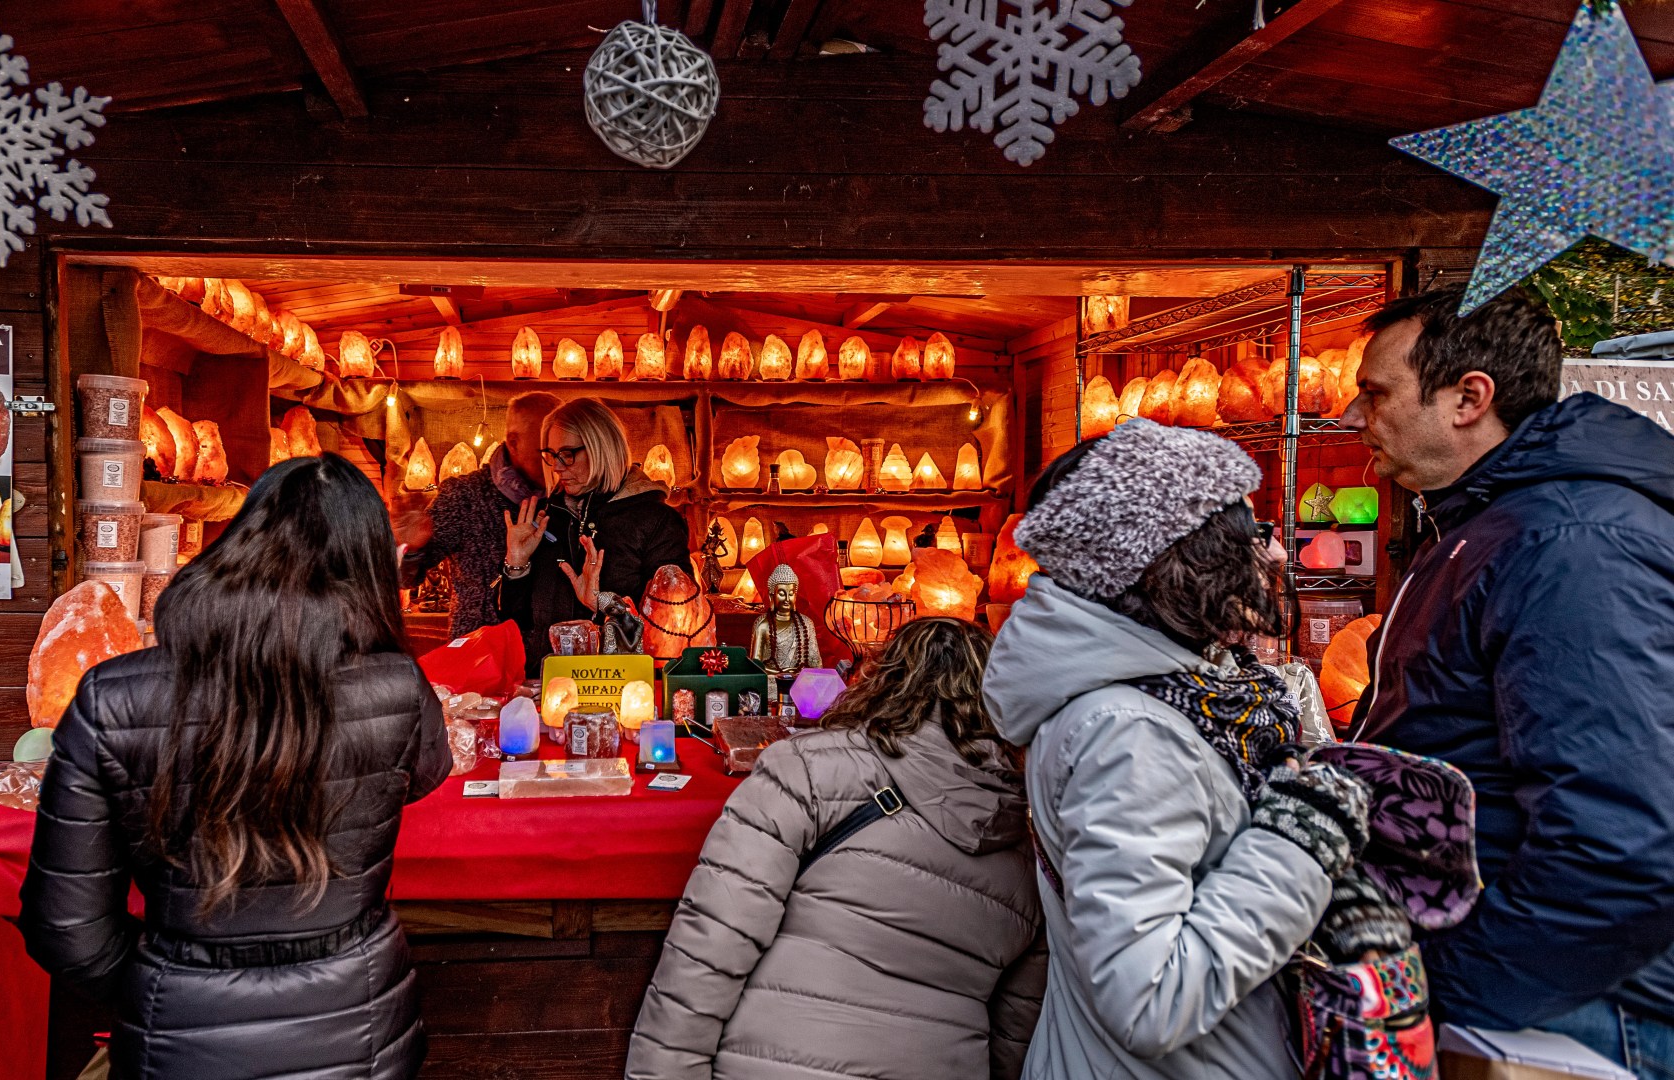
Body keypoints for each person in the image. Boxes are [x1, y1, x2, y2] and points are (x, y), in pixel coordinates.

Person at [20, 453, 452, 1079]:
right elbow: (426, 773)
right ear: (366, 564)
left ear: (240, 539)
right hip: (355, 1032)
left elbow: (67, 926)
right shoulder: (398, 688)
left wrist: (165, 987)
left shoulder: (111, 696)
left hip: (180, 1035)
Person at [1341, 284, 1674, 1074]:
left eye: (1377, 392)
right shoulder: (1492, 522)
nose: (1359, 417)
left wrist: (1451, 987)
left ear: (1468, 398)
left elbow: (1624, 842)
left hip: (1575, 1010)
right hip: (1539, 992)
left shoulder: (1570, 542)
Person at [984, 419, 1378, 1080]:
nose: (1278, 557)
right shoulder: (1129, 733)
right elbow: (1149, 1000)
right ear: (1181, 560)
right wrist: (1300, 839)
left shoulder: (1183, 700)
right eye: (1250, 535)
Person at [626, 617, 1046, 1080]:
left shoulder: (806, 769)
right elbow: (1016, 1036)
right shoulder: (1025, 842)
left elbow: (710, 946)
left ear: (882, 678)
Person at [499, 397, 691, 664]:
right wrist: (516, 567)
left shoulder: (656, 520)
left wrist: (601, 603)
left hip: (622, 687)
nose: (556, 467)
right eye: (552, 455)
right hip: (545, 684)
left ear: (602, 448)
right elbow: (515, 623)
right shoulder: (543, 517)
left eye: (567, 454)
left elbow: (675, 627)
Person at [395, 391, 561, 636]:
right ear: (514, 443)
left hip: (554, 652)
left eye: (563, 448)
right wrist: (407, 546)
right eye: (547, 449)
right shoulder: (465, 496)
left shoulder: (568, 496)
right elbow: (403, 578)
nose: (557, 461)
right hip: (480, 653)